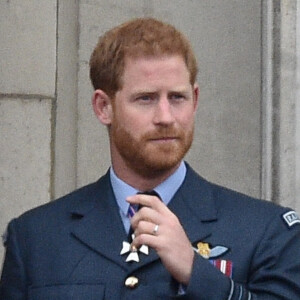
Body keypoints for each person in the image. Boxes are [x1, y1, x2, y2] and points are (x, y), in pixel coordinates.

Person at [1, 17, 300, 300]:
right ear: (104, 107)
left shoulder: (267, 232)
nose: (166, 117)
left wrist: (197, 273)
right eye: (146, 98)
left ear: (195, 100)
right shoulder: (36, 238)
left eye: (177, 98)